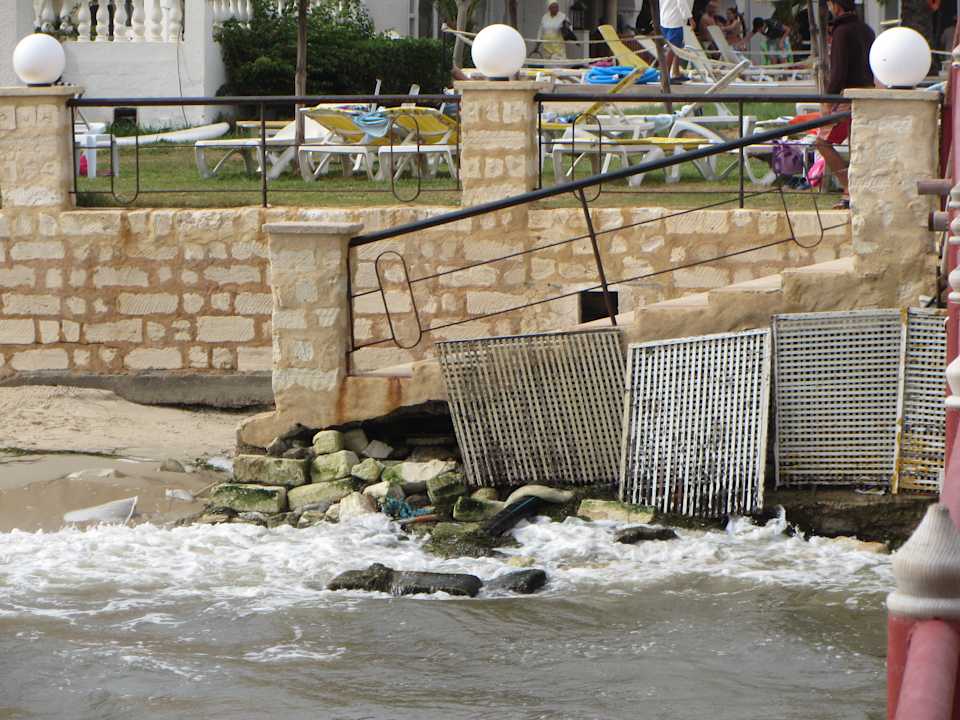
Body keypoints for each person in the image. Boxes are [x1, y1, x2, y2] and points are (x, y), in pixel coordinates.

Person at [814, 0, 874, 208]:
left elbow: (838, 72)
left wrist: (828, 100)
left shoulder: (842, 31)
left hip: (847, 97)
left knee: (822, 143)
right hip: (867, 94)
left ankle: (849, 189)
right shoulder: (866, 30)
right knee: (857, 146)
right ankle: (855, 190)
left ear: (835, 5)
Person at [659, 0, 694, 81]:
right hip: (675, 20)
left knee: (678, 46)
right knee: (672, 48)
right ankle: (665, 76)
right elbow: (681, 2)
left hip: (666, 18)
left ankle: (675, 72)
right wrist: (690, 19)